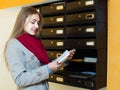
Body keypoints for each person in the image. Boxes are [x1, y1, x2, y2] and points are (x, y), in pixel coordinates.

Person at [4, 7, 76, 90]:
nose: (37, 26)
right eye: (33, 22)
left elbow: (46, 68)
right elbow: (20, 79)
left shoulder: (35, 42)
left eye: (38, 23)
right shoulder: (13, 44)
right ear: (22, 21)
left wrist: (63, 59)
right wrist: (47, 68)